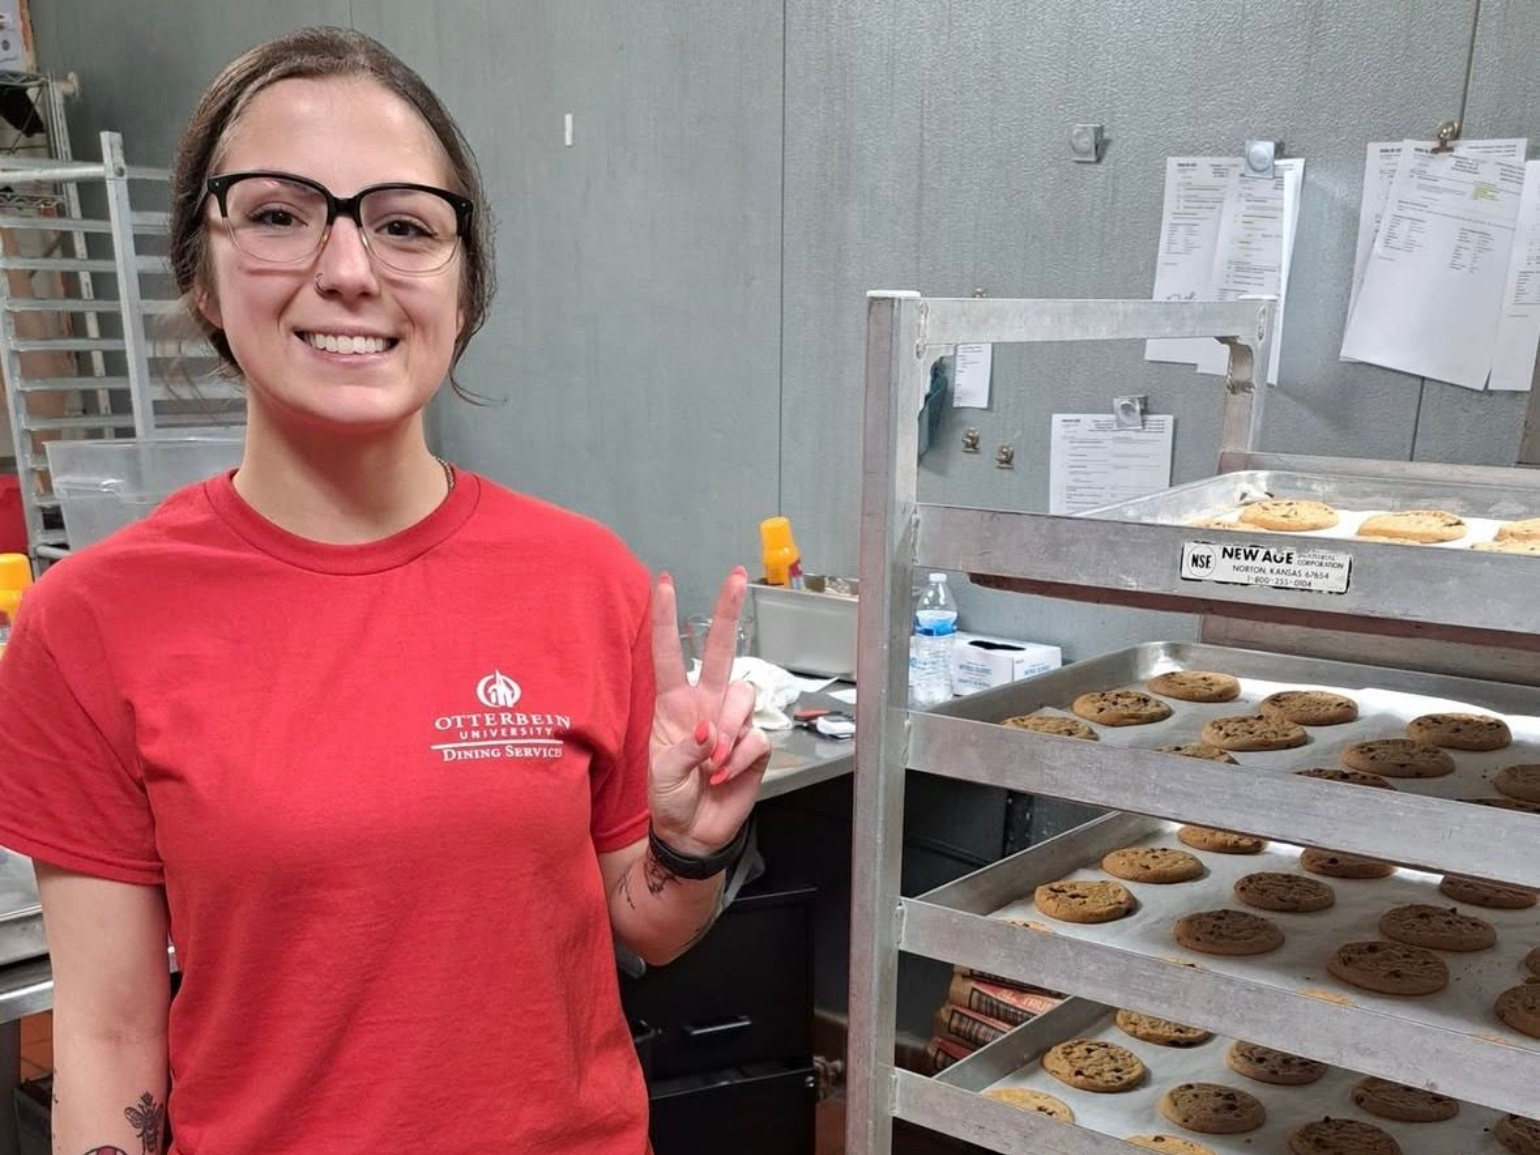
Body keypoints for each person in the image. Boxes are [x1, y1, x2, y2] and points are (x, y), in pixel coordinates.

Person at [0, 26, 768, 1155]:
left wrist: (692, 847)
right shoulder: (91, 625)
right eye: (276, 215)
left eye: (405, 225)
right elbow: (111, 1042)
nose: (349, 268)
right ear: (201, 276)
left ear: (465, 289)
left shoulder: (583, 577)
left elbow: (646, 927)